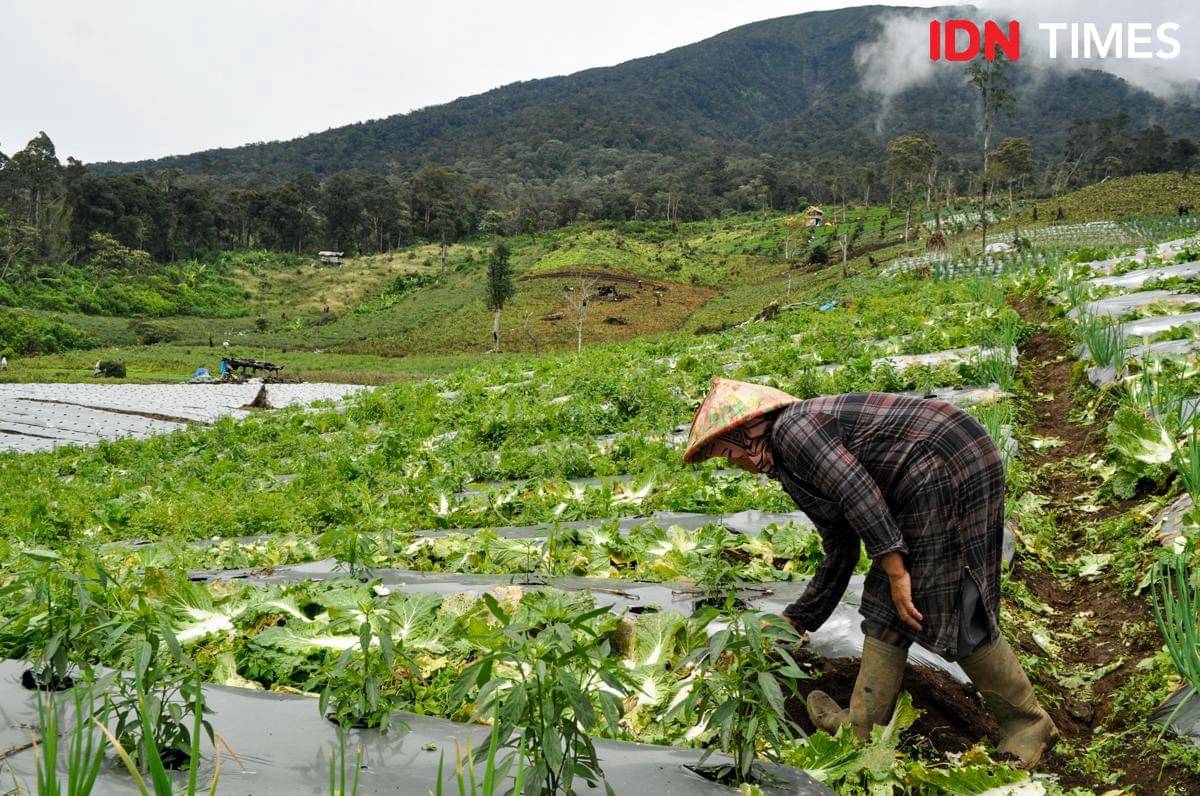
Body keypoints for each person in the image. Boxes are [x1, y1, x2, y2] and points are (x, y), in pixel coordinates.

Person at [683, 378, 1058, 769]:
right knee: (884, 607)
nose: (735, 465)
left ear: (745, 433)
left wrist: (897, 571)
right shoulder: (790, 462)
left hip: (944, 464)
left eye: (728, 455)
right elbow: (840, 546)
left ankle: (1028, 723)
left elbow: (855, 488)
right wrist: (797, 620)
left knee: (944, 600)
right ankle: (861, 728)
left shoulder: (794, 430)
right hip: (920, 480)